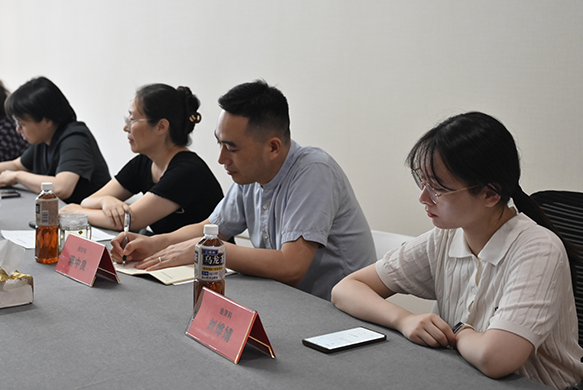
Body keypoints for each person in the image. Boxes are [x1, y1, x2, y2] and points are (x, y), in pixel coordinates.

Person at [331, 112, 583, 389]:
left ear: (490, 194)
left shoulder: (538, 250)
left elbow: (495, 358)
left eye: (438, 189)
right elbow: (346, 289)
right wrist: (404, 320)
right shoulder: (445, 238)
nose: (423, 197)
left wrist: (459, 331)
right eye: (422, 181)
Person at [110, 80, 376, 299]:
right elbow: (212, 228)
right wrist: (153, 243)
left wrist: (207, 250)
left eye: (232, 148)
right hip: (284, 299)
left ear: (273, 147)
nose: (221, 159)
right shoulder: (250, 176)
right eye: (220, 144)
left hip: (335, 312)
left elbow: (292, 267)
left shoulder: (314, 171)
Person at [61, 84, 223, 235]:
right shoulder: (144, 162)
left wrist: (77, 212)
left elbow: (130, 221)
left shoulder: (187, 170)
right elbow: (89, 201)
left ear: (161, 126)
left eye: (132, 120)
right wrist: (106, 201)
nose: (126, 127)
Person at [0, 77, 110, 203]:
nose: (18, 130)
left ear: (47, 120)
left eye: (22, 124)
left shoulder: (75, 138)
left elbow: (62, 188)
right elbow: (17, 165)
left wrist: (17, 176)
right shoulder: (45, 137)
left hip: (88, 218)